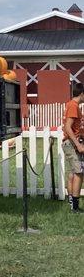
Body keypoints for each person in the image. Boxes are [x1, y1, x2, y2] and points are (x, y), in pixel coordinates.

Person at [62, 82, 84, 213]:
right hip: (71, 144)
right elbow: (68, 127)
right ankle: (75, 207)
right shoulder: (73, 106)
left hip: (72, 143)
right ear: (81, 94)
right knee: (79, 173)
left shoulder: (75, 106)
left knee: (73, 173)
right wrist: (78, 144)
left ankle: (72, 202)